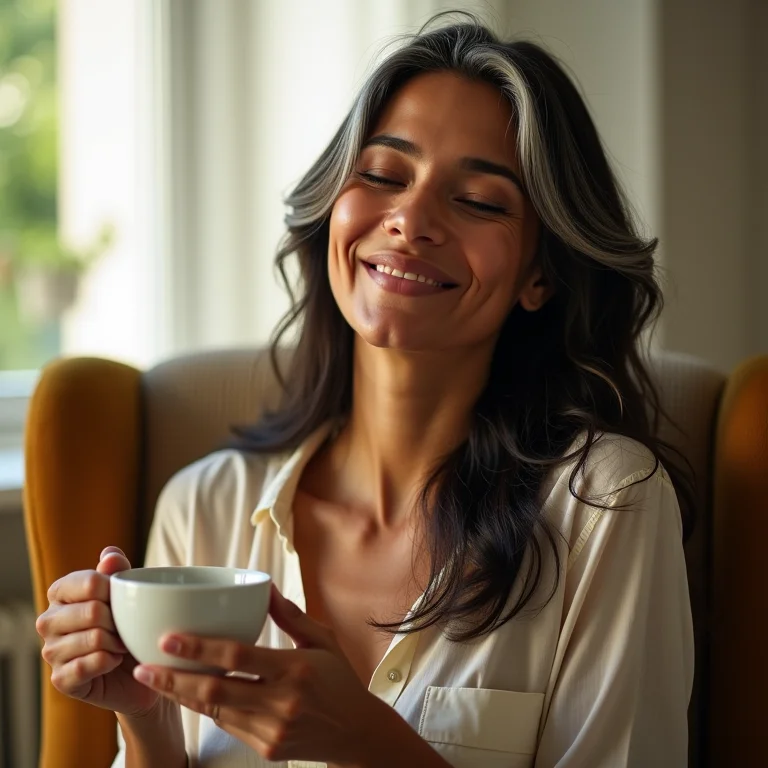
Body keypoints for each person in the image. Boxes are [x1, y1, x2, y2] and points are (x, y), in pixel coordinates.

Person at [36, 12, 694, 768]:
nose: (410, 219)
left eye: (478, 200)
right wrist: (146, 723)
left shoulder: (606, 505)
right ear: (333, 214)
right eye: (382, 176)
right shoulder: (204, 506)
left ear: (539, 275)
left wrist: (375, 746)